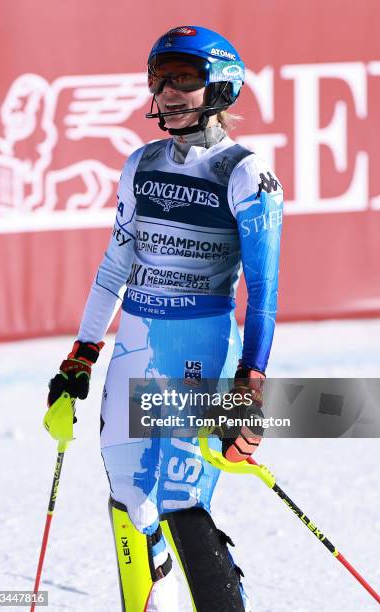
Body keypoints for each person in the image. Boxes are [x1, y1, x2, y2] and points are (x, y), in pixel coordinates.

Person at [48, 25, 283, 612]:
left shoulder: (246, 173)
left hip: (202, 353)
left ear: (222, 87)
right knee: (130, 499)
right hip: (135, 346)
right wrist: (80, 356)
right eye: (160, 77)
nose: (168, 90)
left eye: (184, 77)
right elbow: (112, 270)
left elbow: (265, 290)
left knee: (180, 499)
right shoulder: (141, 162)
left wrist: (250, 385)